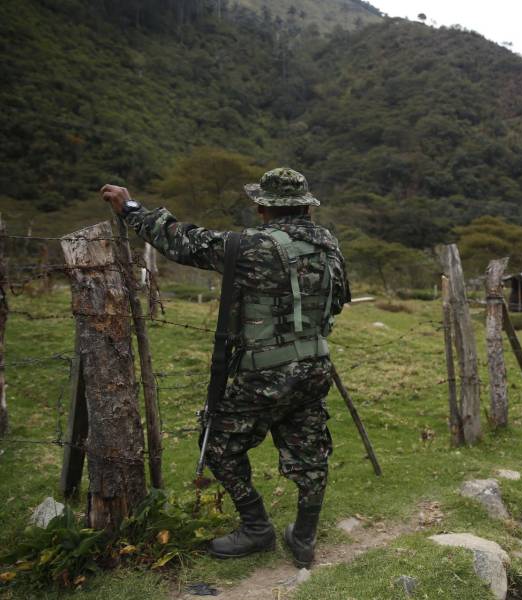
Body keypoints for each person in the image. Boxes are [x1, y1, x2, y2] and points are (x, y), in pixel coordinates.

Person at [101, 167, 350, 566]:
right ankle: (303, 537)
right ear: (306, 207)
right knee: (310, 449)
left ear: (263, 208)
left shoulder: (249, 246)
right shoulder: (330, 245)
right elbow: (337, 302)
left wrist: (130, 208)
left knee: (217, 444)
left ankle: (256, 528)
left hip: (264, 371)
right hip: (315, 366)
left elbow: (182, 241)